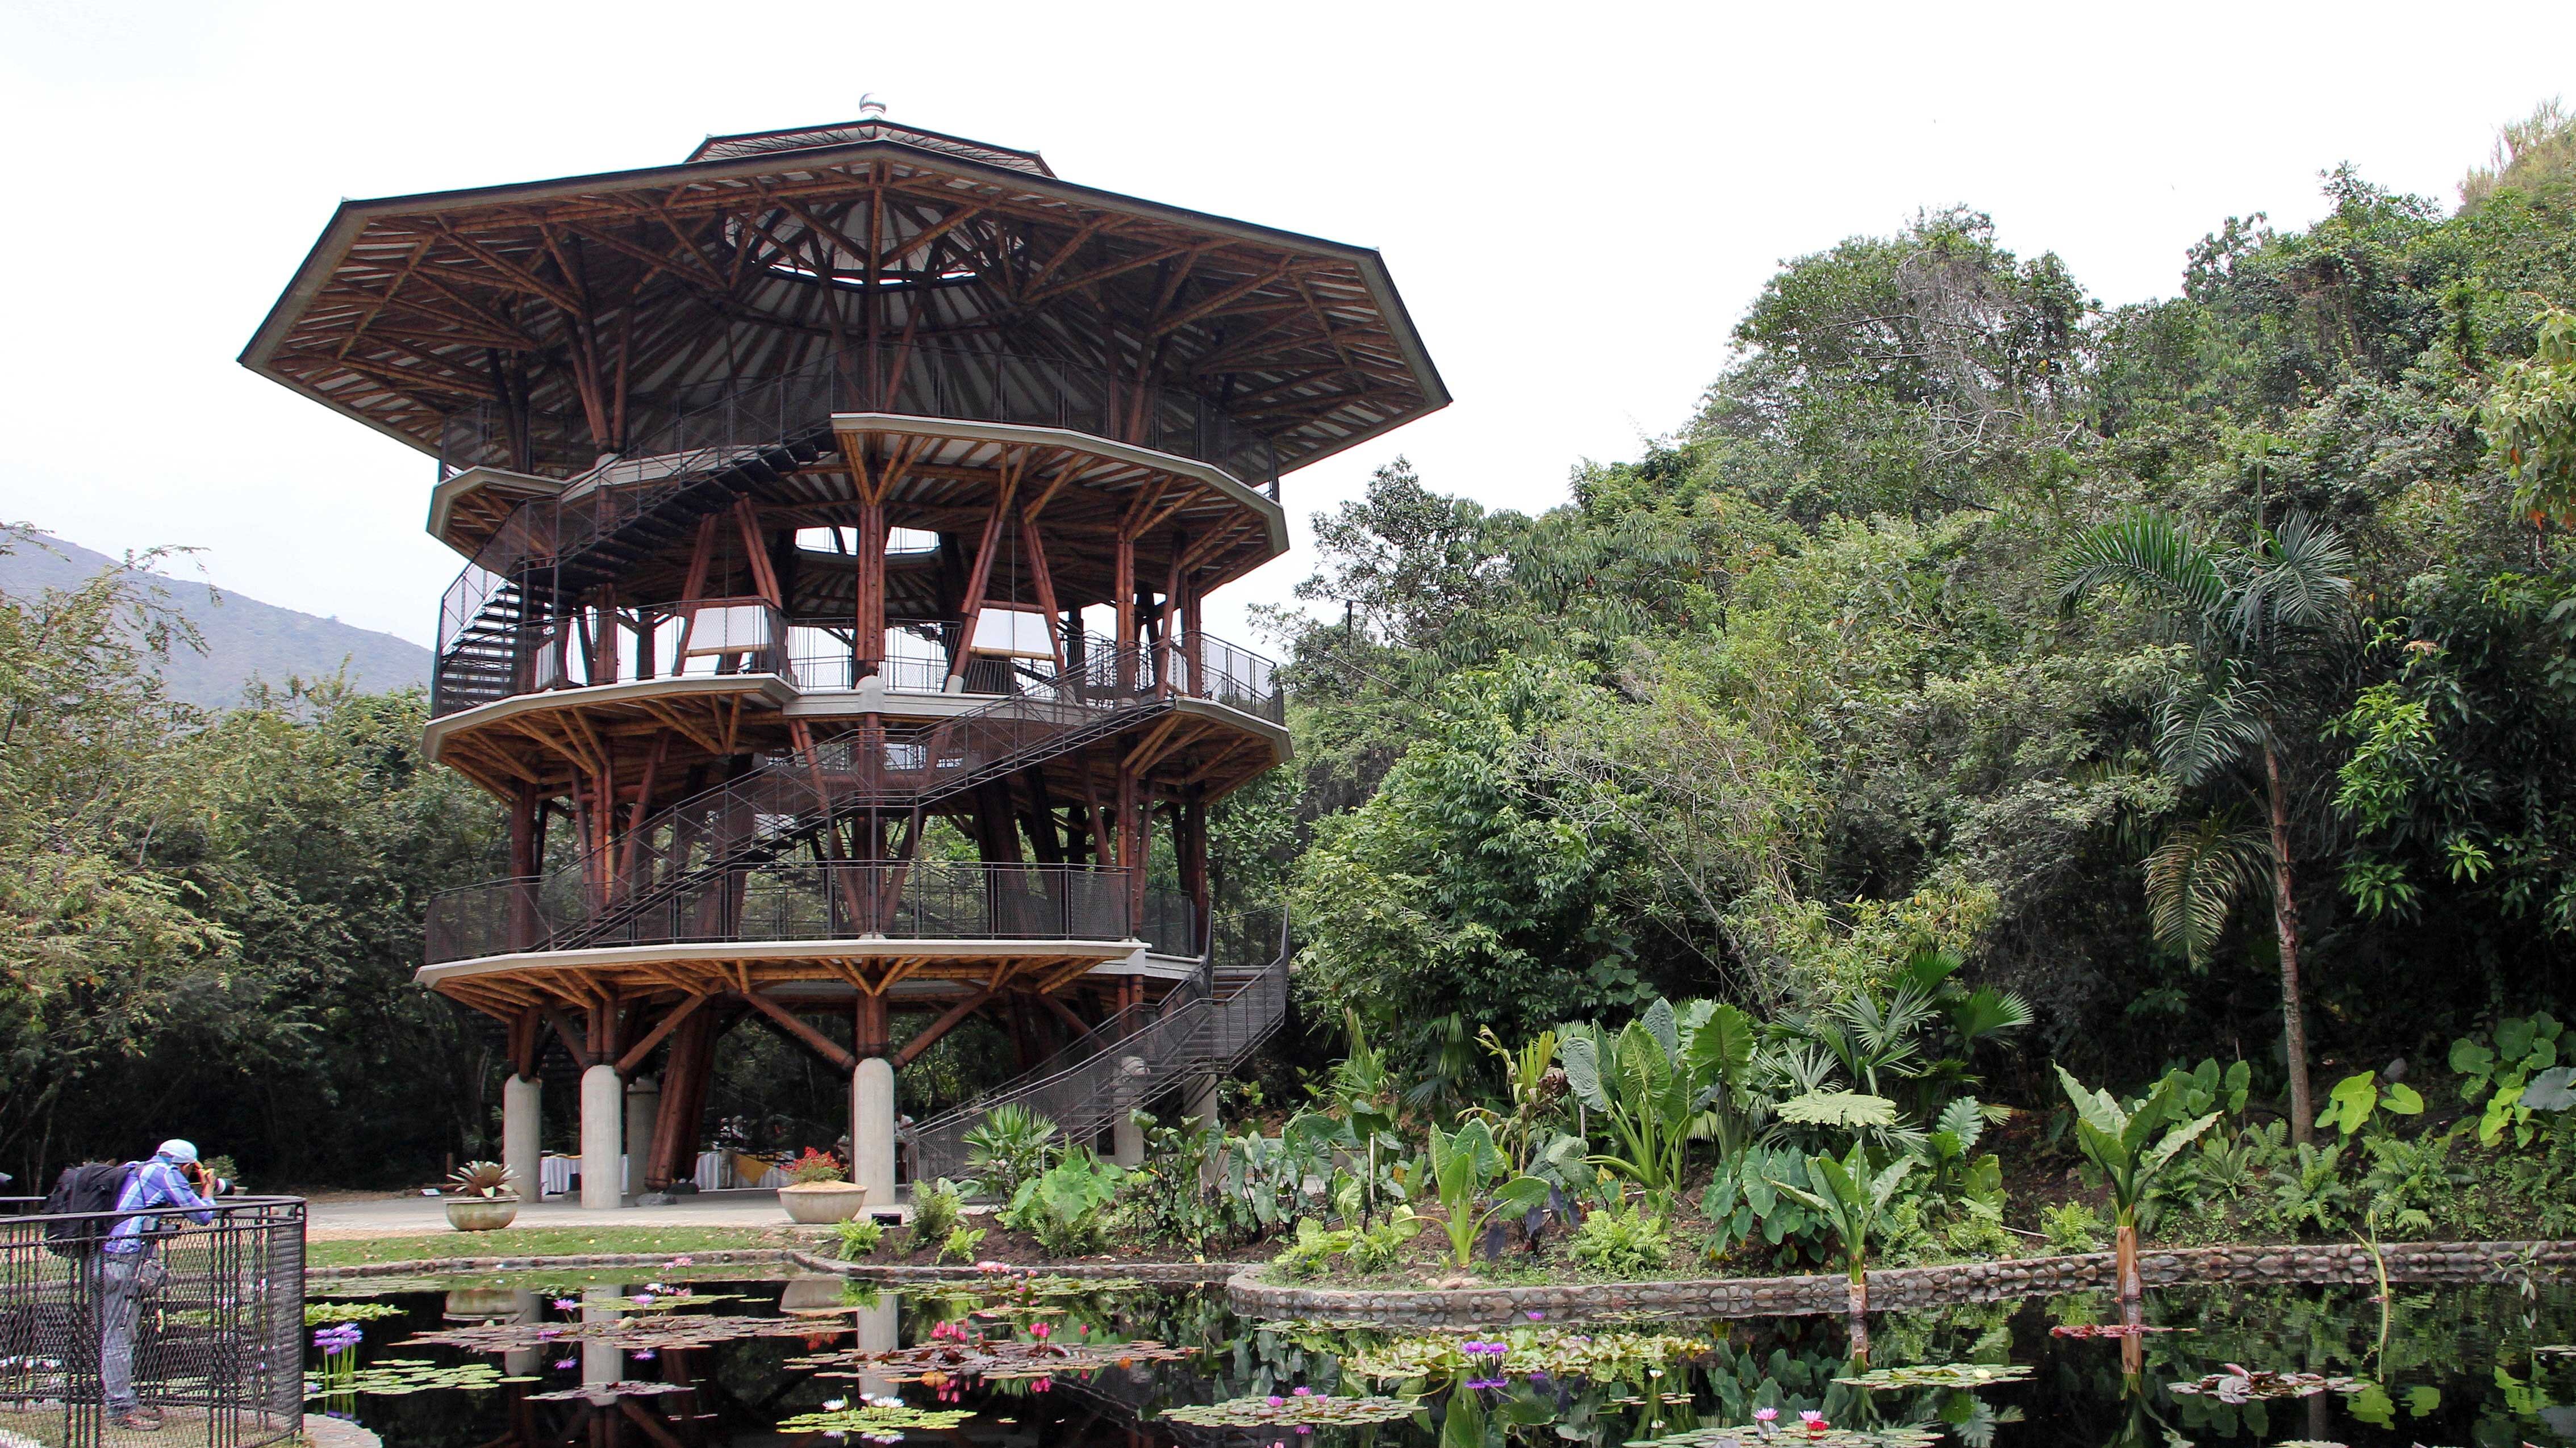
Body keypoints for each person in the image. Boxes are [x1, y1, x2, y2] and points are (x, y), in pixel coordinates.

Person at [97, 1140, 218, 1432]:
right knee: (119, 1334)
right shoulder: (165, 1174)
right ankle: (120, 1410)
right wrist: (208, 1190)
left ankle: (123, 1400)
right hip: (122, 1258)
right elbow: (202, 1216)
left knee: (122, 1332)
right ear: (187, 1165)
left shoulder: (138, 1168)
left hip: (112, 1255)